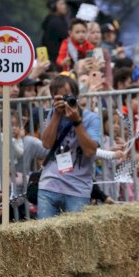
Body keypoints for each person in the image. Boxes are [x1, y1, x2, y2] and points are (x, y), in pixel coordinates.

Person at [37, 75, 101, 219]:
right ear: (54, 99)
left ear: (76, 96)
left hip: (77, 190)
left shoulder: (91, 118)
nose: (65, 102)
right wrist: (56, 116)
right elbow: (46, 143)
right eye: (60, 98)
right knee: (46, 238)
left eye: (68, 97)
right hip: (49, 186)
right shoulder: (53, 115)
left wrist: (77, 122)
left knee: (75, 240)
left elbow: (90, 151)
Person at [41, 0, 69, 71]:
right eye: (62, 4)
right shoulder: (56, 23)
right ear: (54, 6)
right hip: (57, 62)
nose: (65, 6)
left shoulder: (50, 20)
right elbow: (67, 37)